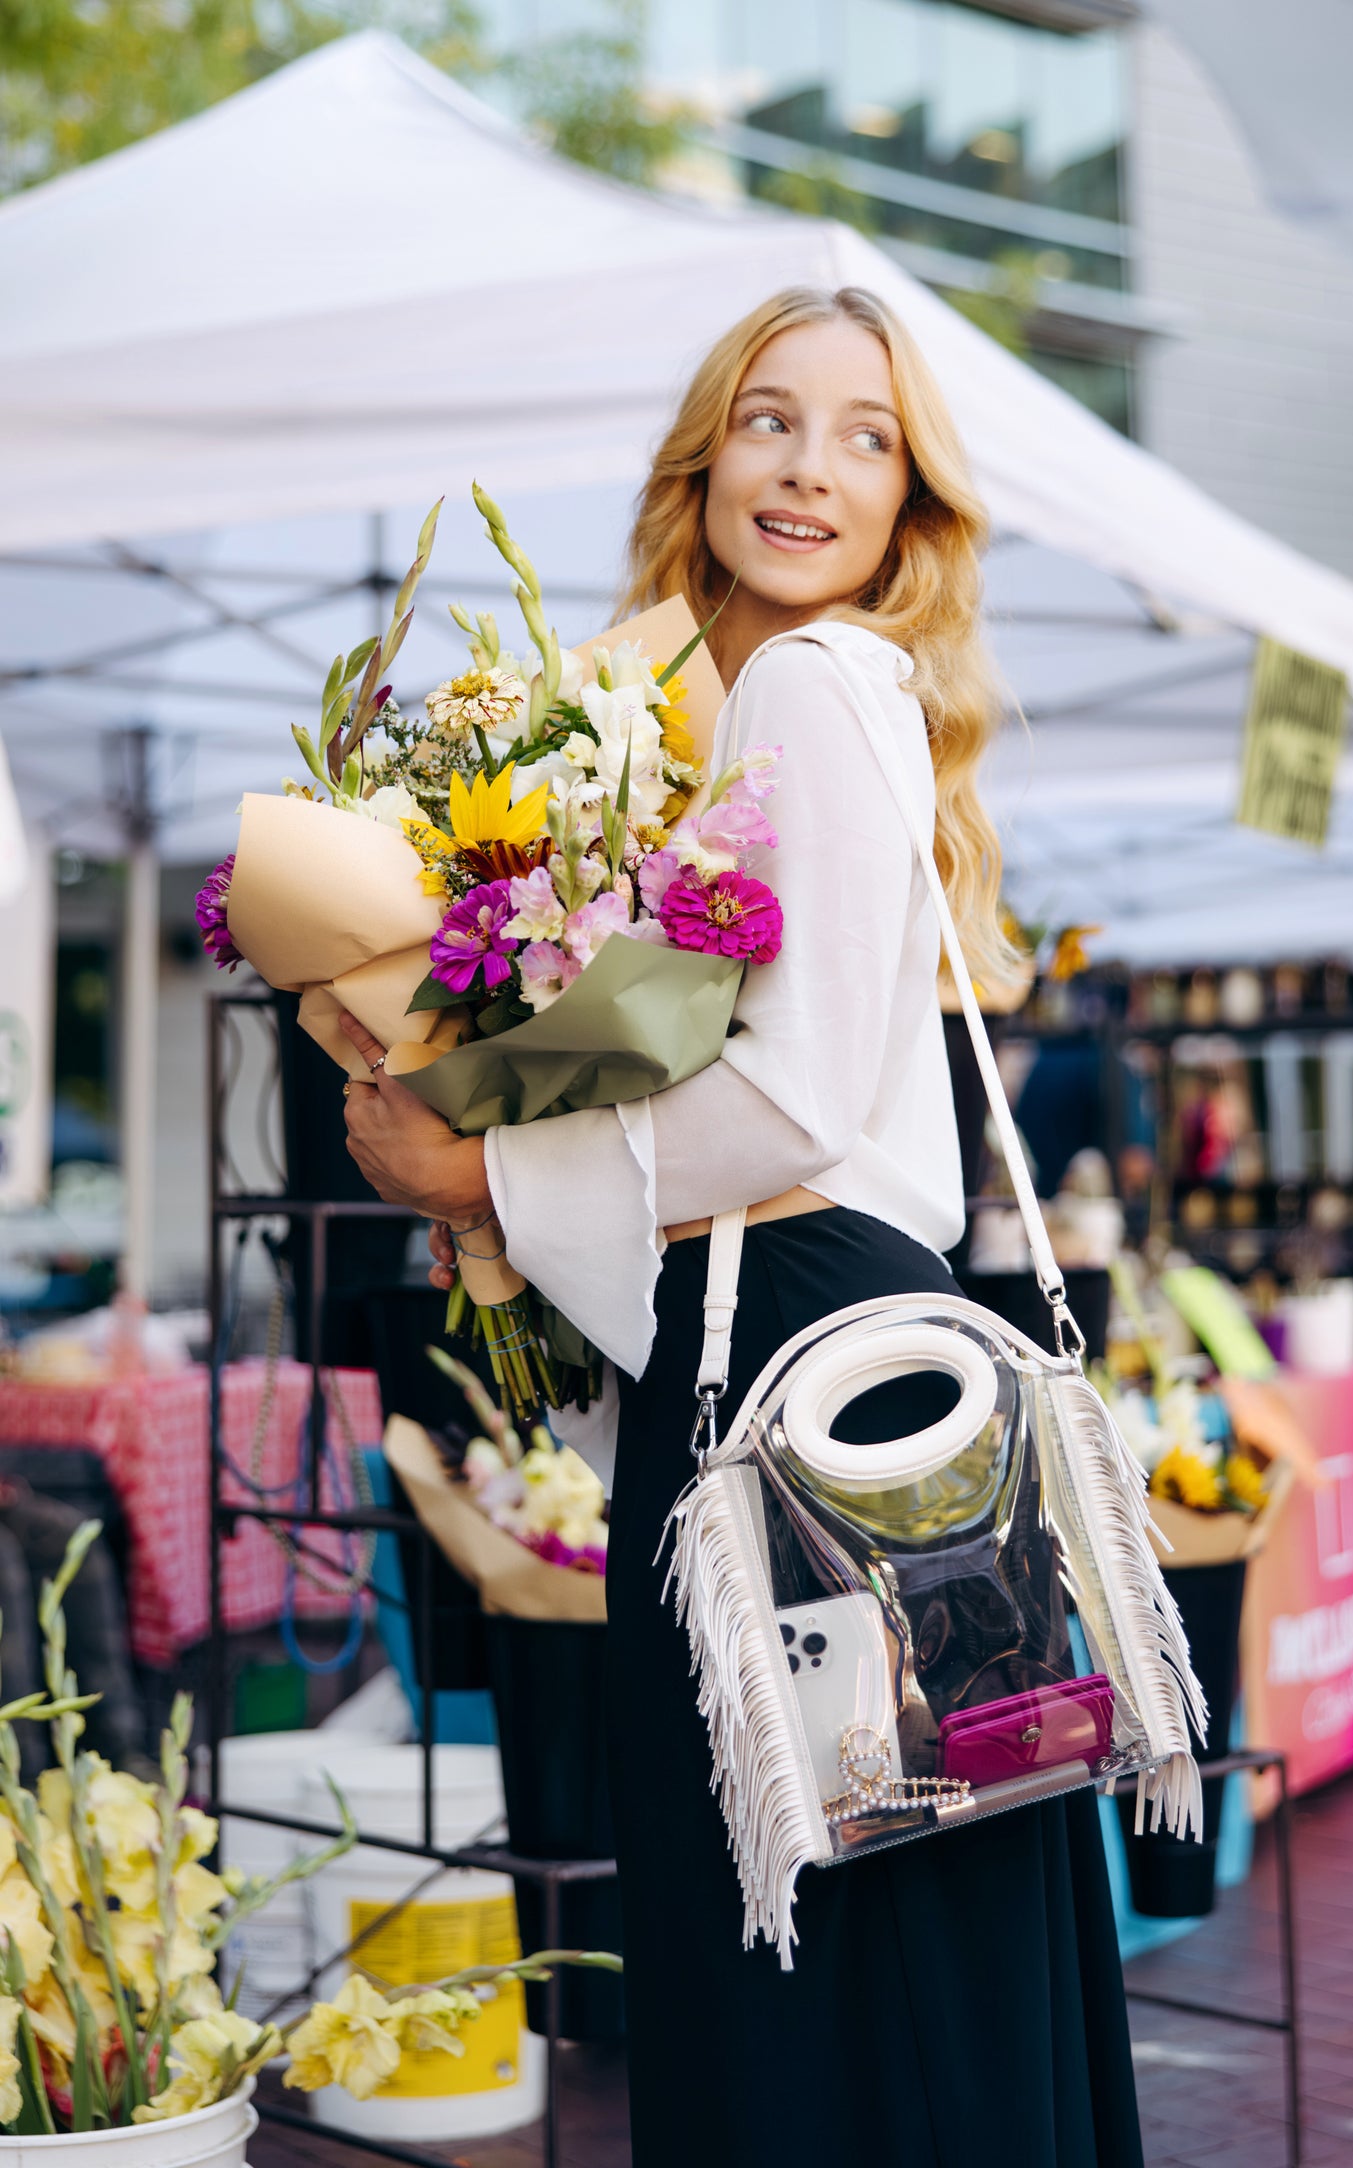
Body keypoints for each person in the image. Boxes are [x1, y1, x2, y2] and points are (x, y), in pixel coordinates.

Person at [337, 286, 1144, 2168]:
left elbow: (786, 1101)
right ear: (705, 458)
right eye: (772, 420)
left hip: (784, 1345)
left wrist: (481, 1177)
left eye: (866, 436)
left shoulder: (813, 681)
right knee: (894, 1889)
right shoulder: (709, 711)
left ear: (908, 502)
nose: (809, 467)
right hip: (811, 1345)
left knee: (805, 1925)